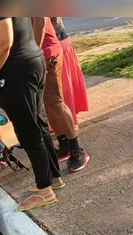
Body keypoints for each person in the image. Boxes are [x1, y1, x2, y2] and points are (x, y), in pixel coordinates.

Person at [0, 17, 62, 211]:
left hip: (15, 73)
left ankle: (45, 191)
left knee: (28, 130)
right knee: (37, 123)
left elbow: (3, 43)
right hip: (27, 62)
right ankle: (52, 178)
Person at [32, 17, 89, 173]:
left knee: (55, 102)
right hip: (40, 53)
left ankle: (77, 150)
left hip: (46, 54)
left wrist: (33, 52)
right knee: (48, 104)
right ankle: (64, 144)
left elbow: (40, 22)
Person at [52, 17, 90, 124]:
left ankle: (67, 122)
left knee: (59, 87)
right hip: (62, 41)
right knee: (65, 84)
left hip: (55, 46)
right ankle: (68, 120)